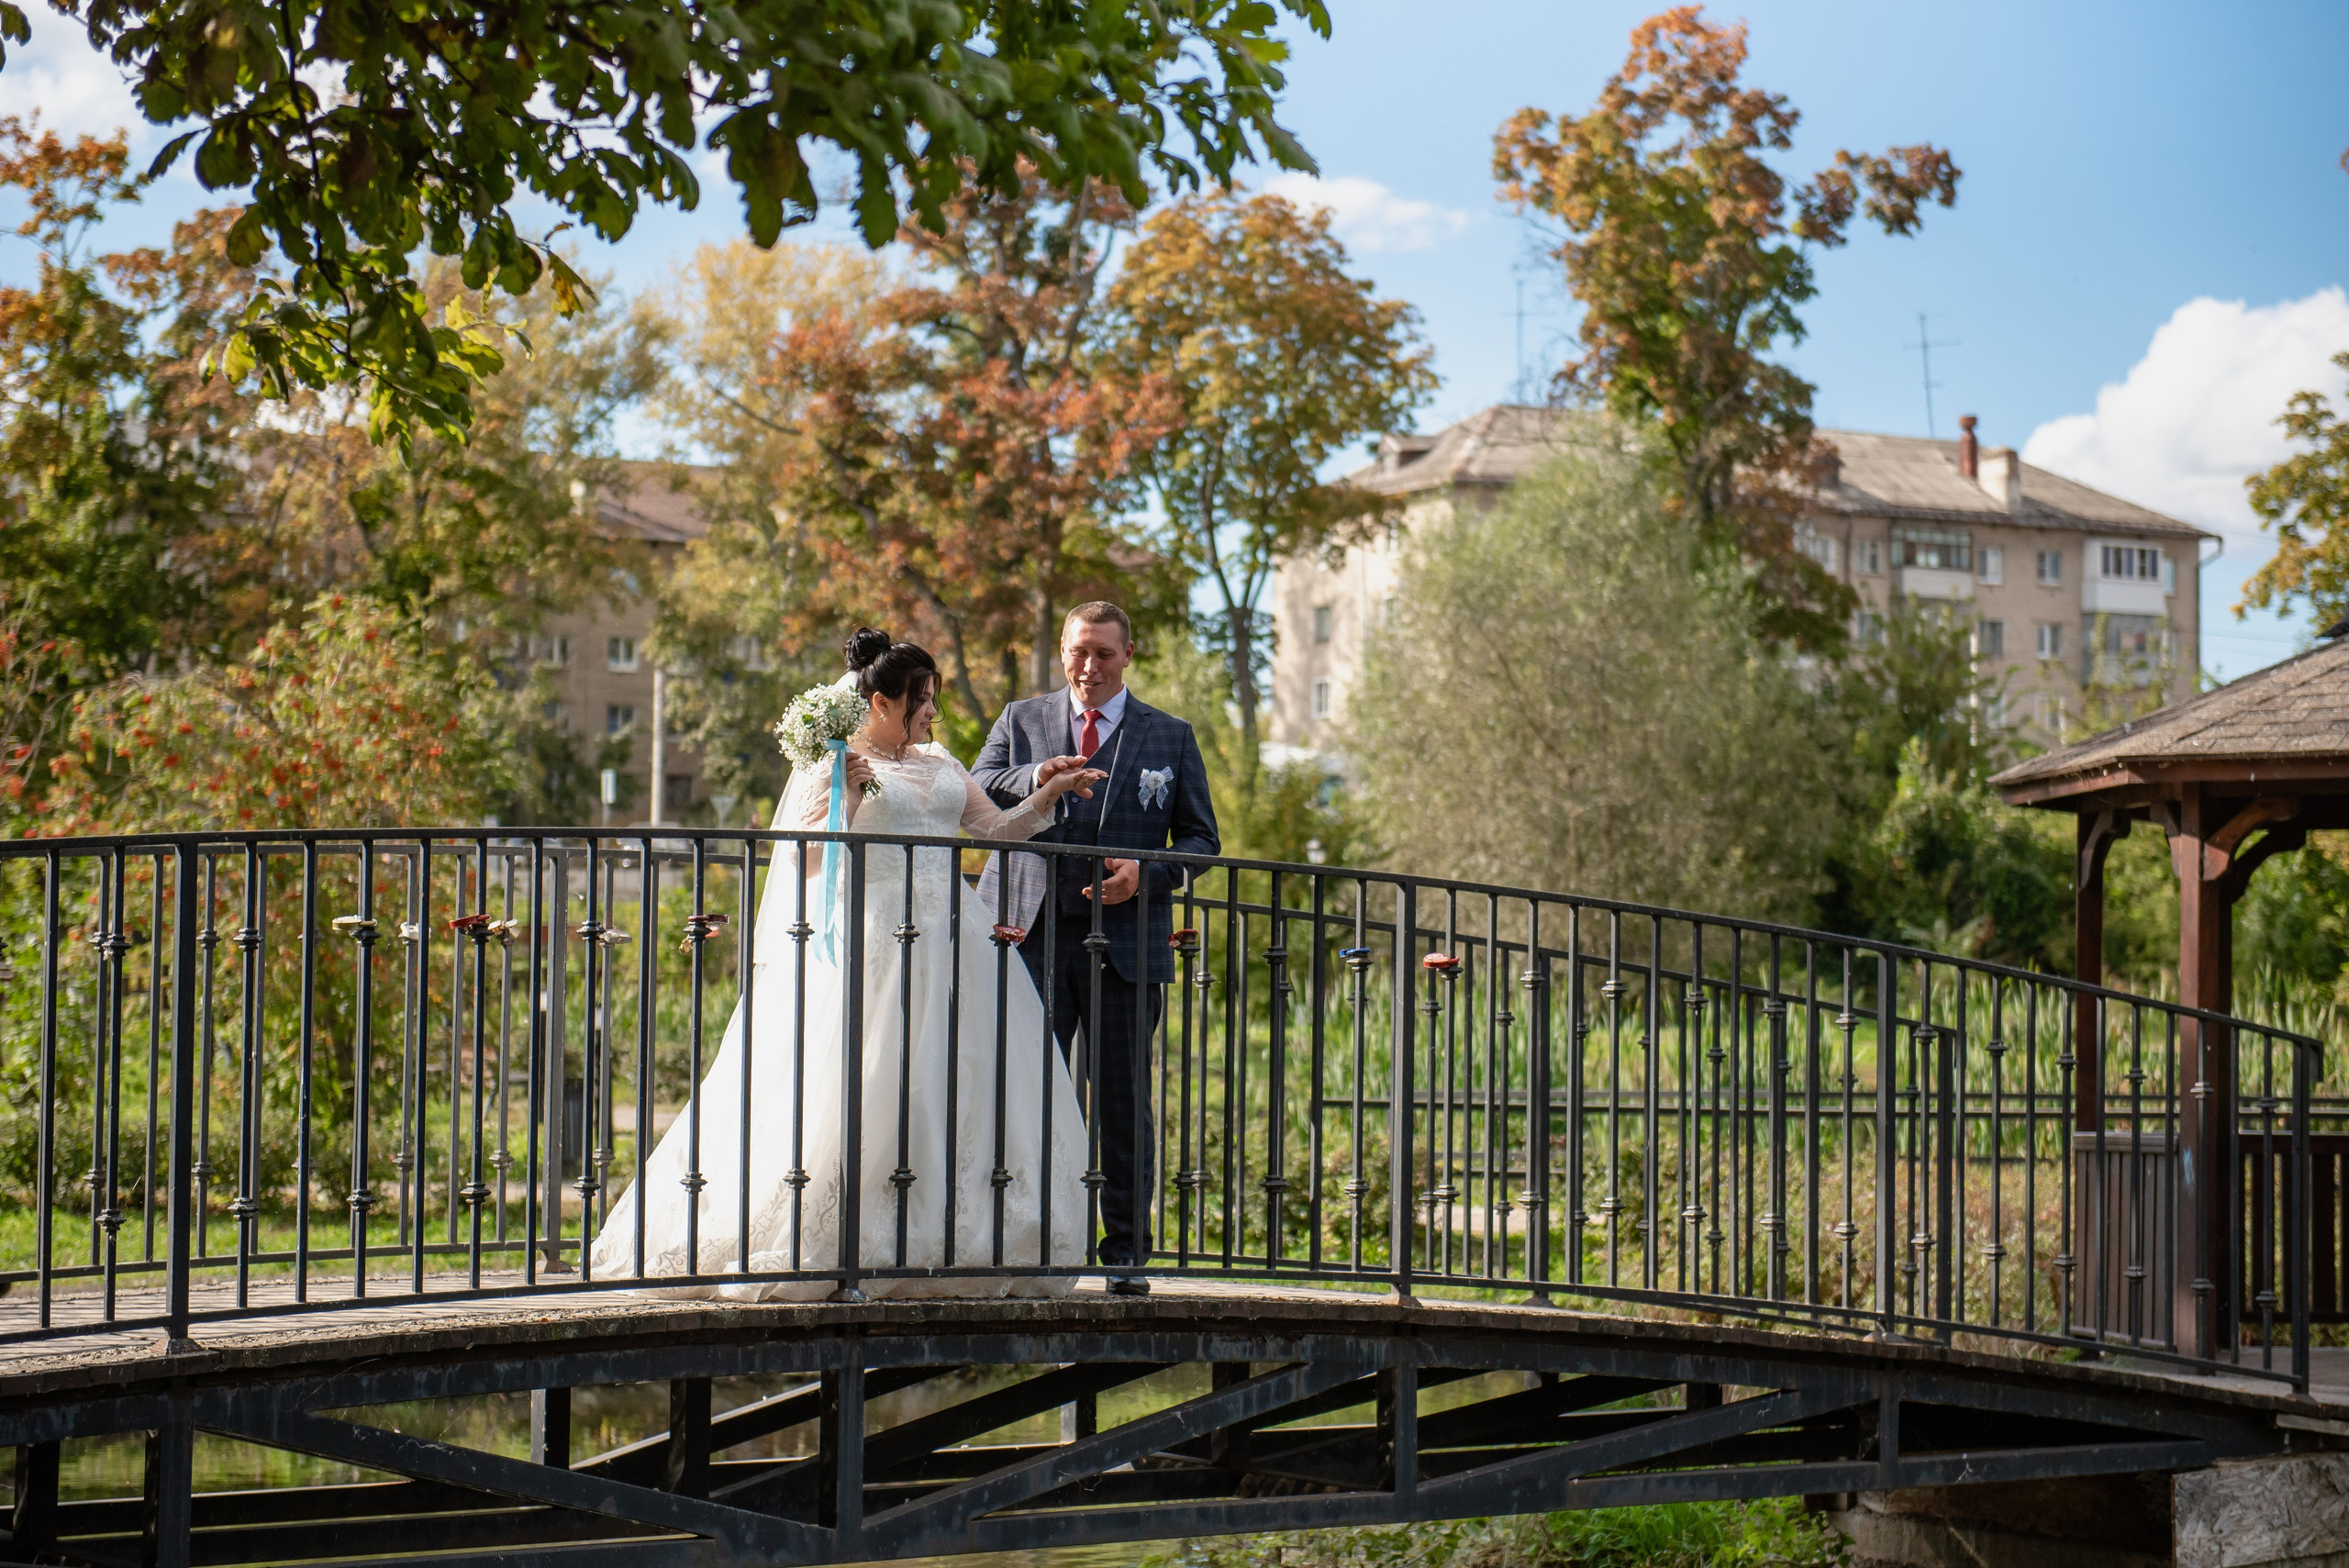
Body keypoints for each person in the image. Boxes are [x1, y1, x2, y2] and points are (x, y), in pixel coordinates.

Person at [591, 628, 1106, 1299]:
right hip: (872, 942)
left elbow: (995, 830)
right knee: (863, 1086)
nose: (931, 712)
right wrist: (852, 796)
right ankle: (841, 1241)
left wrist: (1047, 797)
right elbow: (802, 861)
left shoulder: (941, 760)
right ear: (883, 701)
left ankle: (958, 1240)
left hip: (954, 941)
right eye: (922, 699)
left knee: (951, 1082)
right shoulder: (836, 763)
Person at [972, 602, 1220, 1295]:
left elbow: (1203, 840)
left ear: (1129, 654)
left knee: (1122, 1104)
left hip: (1127, 946)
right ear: (1062, 650)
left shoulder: (1169, 737)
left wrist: (1149, 873)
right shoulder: (1021, 720)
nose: (1089, 666)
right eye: (1079, 651)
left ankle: (1126, 1257)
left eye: (1104, 653)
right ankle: (1026, 1247)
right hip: (1029, 936)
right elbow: (976, 785)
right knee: (1025, 1096)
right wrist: (1034, 778)